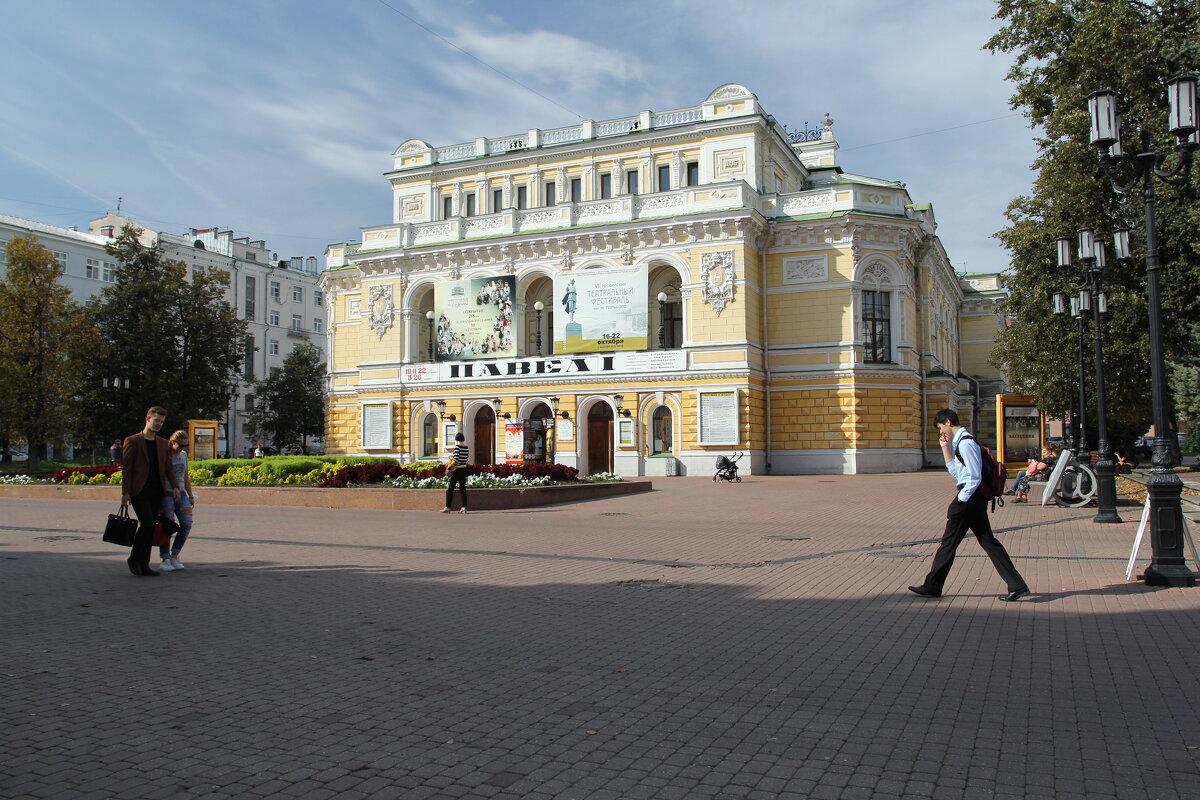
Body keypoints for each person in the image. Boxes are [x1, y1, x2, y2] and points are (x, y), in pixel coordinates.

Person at [909, 409, 1031, 602]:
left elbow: (974, 475)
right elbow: (957, 472)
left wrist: (962, 499)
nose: (941, 431)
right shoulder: (960, 442)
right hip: (974, 498)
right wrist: (945, 448)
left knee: (949, 543)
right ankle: (1018, 585)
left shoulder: (966, 443)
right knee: (988, 542)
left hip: (970, 498)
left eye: (941, 427)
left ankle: (933, 585)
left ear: (948, 422)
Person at [120, 407, 181, 577]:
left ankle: (143, 563)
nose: (159, 424)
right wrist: (125, 493)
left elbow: (168, 468)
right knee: (147, 524)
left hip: (156, 491)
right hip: (139, 491)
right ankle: (134, 559)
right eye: (156, 421)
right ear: (148, 418)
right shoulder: (133, 441)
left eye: (161, 422)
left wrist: (175, 486)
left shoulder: (162, 443)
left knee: (150, 527)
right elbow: (127, 469)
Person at [158, 430, 196, 572]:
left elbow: (185, 477)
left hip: (181, 492)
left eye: (186, 446)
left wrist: (190, 495)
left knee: (186, 523)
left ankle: (175, 554)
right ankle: (165, 557)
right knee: (167, 524)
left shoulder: (183, 456)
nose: (183, 449)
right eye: (181, 445)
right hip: (166, 493)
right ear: (173, 442)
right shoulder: (164, 456)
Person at [442, 432, 470, 514]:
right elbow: (466, 458)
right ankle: (464, 507)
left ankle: (448, 507)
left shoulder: (457, 447)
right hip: (464, 469)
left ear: (457, 439)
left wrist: (451, 457)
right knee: (462, 489)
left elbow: (456, 459)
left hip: (457, 470)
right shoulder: (466, 448)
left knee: (450, 488)